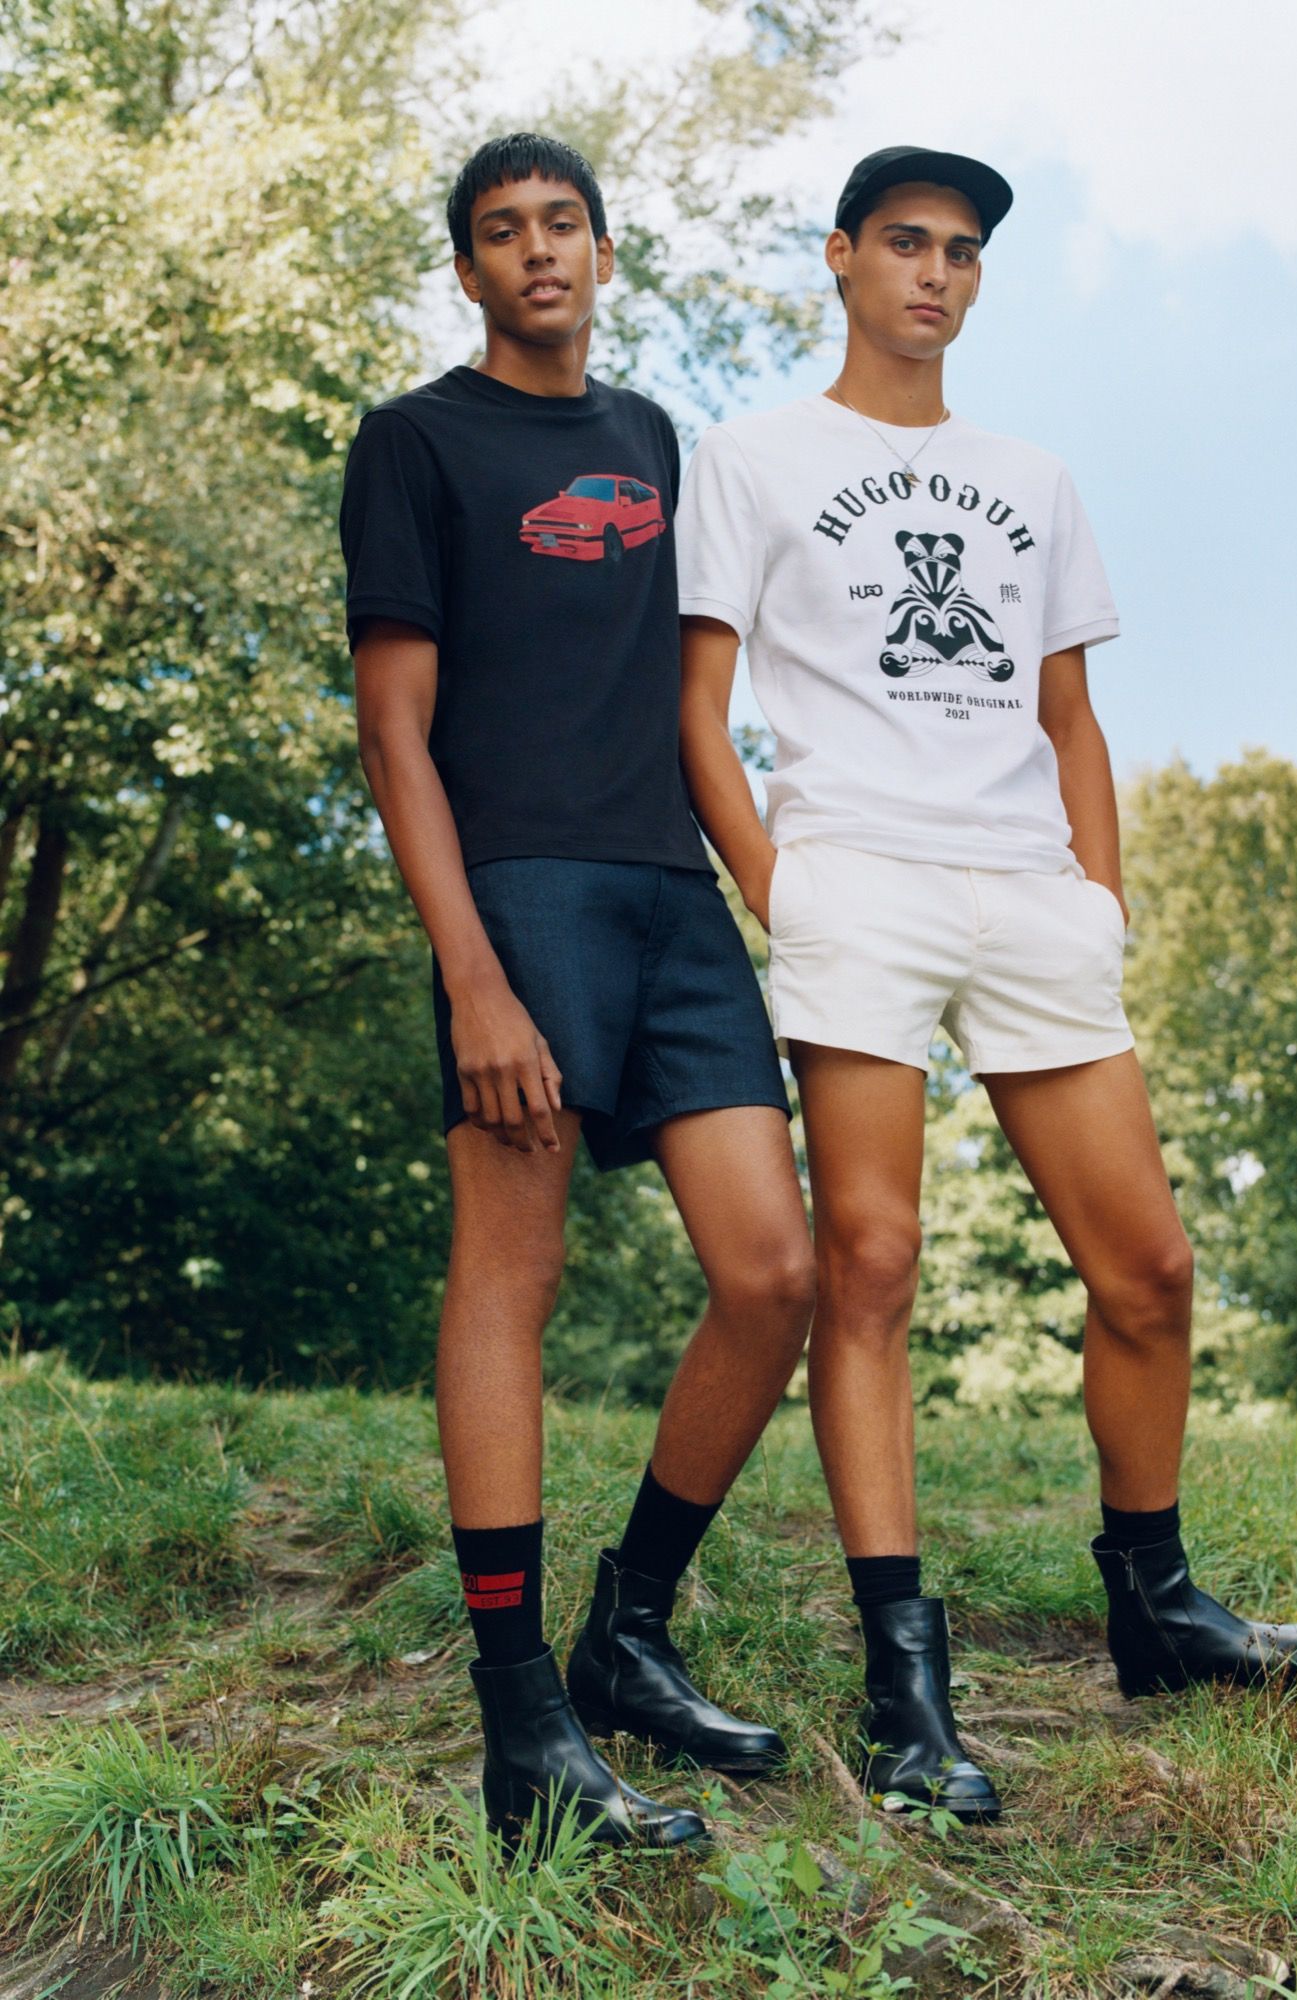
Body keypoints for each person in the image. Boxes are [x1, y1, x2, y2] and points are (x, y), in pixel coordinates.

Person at [676, 145, 1297, 1823]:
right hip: (858, 884)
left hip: (1032, 898)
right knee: (873, 1265)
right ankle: (906, 1688)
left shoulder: (1032, 478)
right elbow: (698, 706)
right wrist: (782, 890)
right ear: (842, 257)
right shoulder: (751, 458)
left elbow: (1069, 716)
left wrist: (1099, 902)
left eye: (964, 252)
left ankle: (1159, 1607)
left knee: (1151, 1267)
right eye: (906, 243)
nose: (936, 273)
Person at [339, 133, 817, 1856]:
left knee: (777, 1274)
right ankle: (521, 1718)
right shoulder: (415, 443)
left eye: (562, 224)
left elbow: (697, 701)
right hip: (521, 891)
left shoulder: (653, 442)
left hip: (671, 895)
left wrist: (780, 901)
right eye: (500, 232)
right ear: (467, 271)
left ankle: (629, 1629)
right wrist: (471, 973)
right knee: (511, 1275)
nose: (536, 250)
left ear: (605, 255)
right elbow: (394, 733)